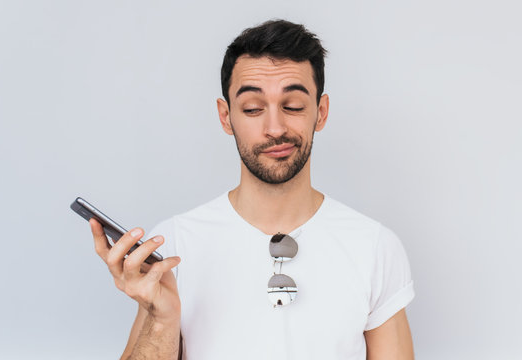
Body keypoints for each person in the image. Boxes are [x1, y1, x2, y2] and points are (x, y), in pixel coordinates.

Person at [90, 19, 415, 360]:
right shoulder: (173, 246)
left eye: (292, 106)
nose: (275, 128)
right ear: (226, 116)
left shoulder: (374, 247)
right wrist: (161, 319)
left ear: (320, 113)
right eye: (252, 109)